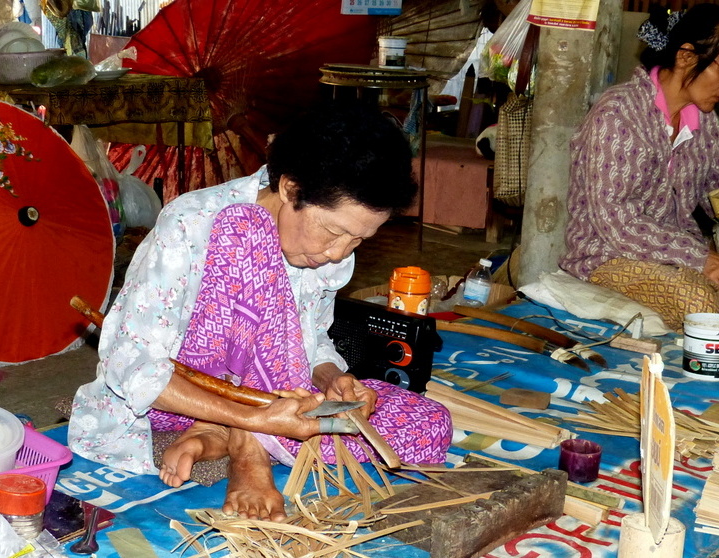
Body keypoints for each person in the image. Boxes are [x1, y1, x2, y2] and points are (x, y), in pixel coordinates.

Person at [68, 101, 452, 521]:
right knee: (247, 231)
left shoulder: (329, 250)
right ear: (290, 189)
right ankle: (247, 447)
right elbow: (129, 365)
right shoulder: (195, 221)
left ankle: (221, 434)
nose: (340, 252)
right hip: (176, 397)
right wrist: (258, 420)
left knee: (430, 424)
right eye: (334, 231)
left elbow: (309, 340)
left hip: (273, 398)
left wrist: (335, 379)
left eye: (359, 240)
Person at [559, 3, 719, 331]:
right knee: (700, 303)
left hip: (680, 253)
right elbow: (618, 221)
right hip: (607, 254)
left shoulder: (702, 120)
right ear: (686, 56)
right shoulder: (617, 116)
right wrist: (699, 259)